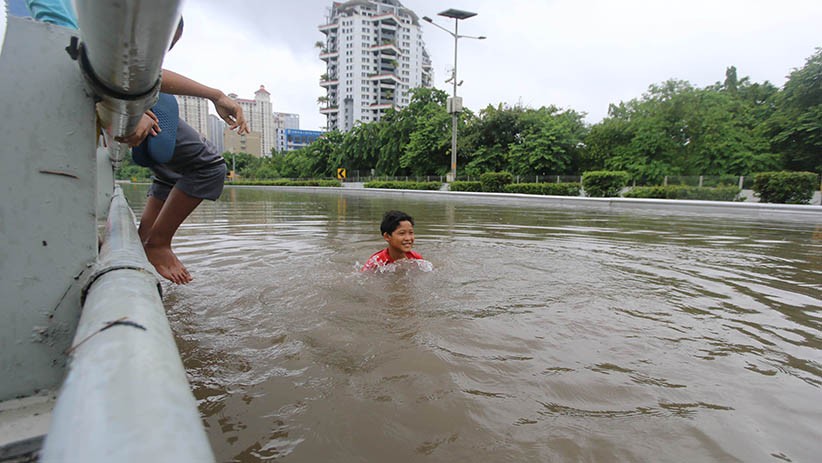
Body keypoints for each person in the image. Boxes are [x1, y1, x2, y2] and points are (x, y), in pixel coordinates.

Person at [23, 1, 249, 284]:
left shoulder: (80, 26)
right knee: (211, 166)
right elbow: (103, 65)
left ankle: (145, 237)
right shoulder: (74, 29)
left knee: (170, 161)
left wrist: (212, 95)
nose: (158, 60)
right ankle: (158, 243)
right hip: (83, 98)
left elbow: (143, 74)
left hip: (110, 100)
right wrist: (129, 109)